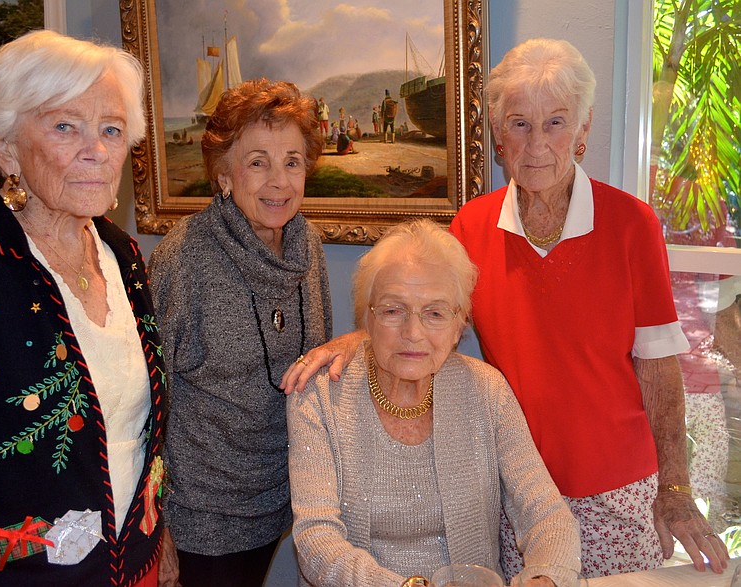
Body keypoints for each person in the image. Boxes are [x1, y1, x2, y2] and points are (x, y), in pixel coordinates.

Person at [282, 37, 731, 580]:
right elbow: (424, 309)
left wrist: (675, 488)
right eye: (519, 124)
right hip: (515, 494)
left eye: (556, 123)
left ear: (584, 130)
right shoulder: (472, 228)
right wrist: (354, 339)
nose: (536, 144)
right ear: (498, 136)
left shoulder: (632, 225)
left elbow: (659, 368)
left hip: (618, 490)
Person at [0, 30, 168, 586]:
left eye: (111, 129)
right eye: (66, 126)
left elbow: (138, 429)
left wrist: (163, 540)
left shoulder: (122, 253)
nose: (97, 150)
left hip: (131, 567)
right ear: (6, 146)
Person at [287, 219, 581, 587]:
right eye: (393, 310)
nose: (413, 333)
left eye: (435, 313)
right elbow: (316, 540)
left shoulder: (486, 390)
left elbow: (546, 513)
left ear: (459, 326)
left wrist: (546, 577)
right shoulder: (319, 395)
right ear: (367, 318)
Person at [148, 78, 332, 587]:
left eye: (292, 161)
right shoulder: (185, 257)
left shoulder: (307, 245)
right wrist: (155, 521)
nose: (279, 181)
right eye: (257, 162)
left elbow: (316, 364)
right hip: (201, 517)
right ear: (224, 175)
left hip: (283, 497)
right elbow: (144, 396)